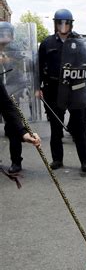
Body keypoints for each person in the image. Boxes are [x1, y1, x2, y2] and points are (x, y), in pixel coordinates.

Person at [37, 9, 86, 172]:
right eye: (60, 22)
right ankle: (57, 159)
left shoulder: (80, 41)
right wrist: (36, 87)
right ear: (55, 24)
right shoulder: (47, 43)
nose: (63, 25)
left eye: (66, 22)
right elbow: (39, 67)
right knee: (56, 126)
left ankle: (84, 160)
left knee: (80, 126)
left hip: (75, 88)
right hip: (53, 88)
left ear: (71, 24)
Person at [0, 21, 28, 173]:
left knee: (13, 128)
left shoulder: (15, 50)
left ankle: (16, 161)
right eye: (1, 33)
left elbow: (21, 70)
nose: (4, 36)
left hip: (11, 92)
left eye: (7, 33)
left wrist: (9, 61)